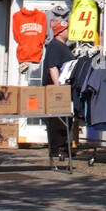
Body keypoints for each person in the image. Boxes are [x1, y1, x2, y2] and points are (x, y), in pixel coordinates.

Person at [42, 15, 74, 167]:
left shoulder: (63, 46)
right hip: (56, 89)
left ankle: (63, 146)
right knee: (57, 120)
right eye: (66, 28)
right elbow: (52, 66)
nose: (69, 30)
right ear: (60, 31)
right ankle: (57, 149)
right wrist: (58, 88)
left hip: (63, 88)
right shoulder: (55, 45)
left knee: (65, 119)